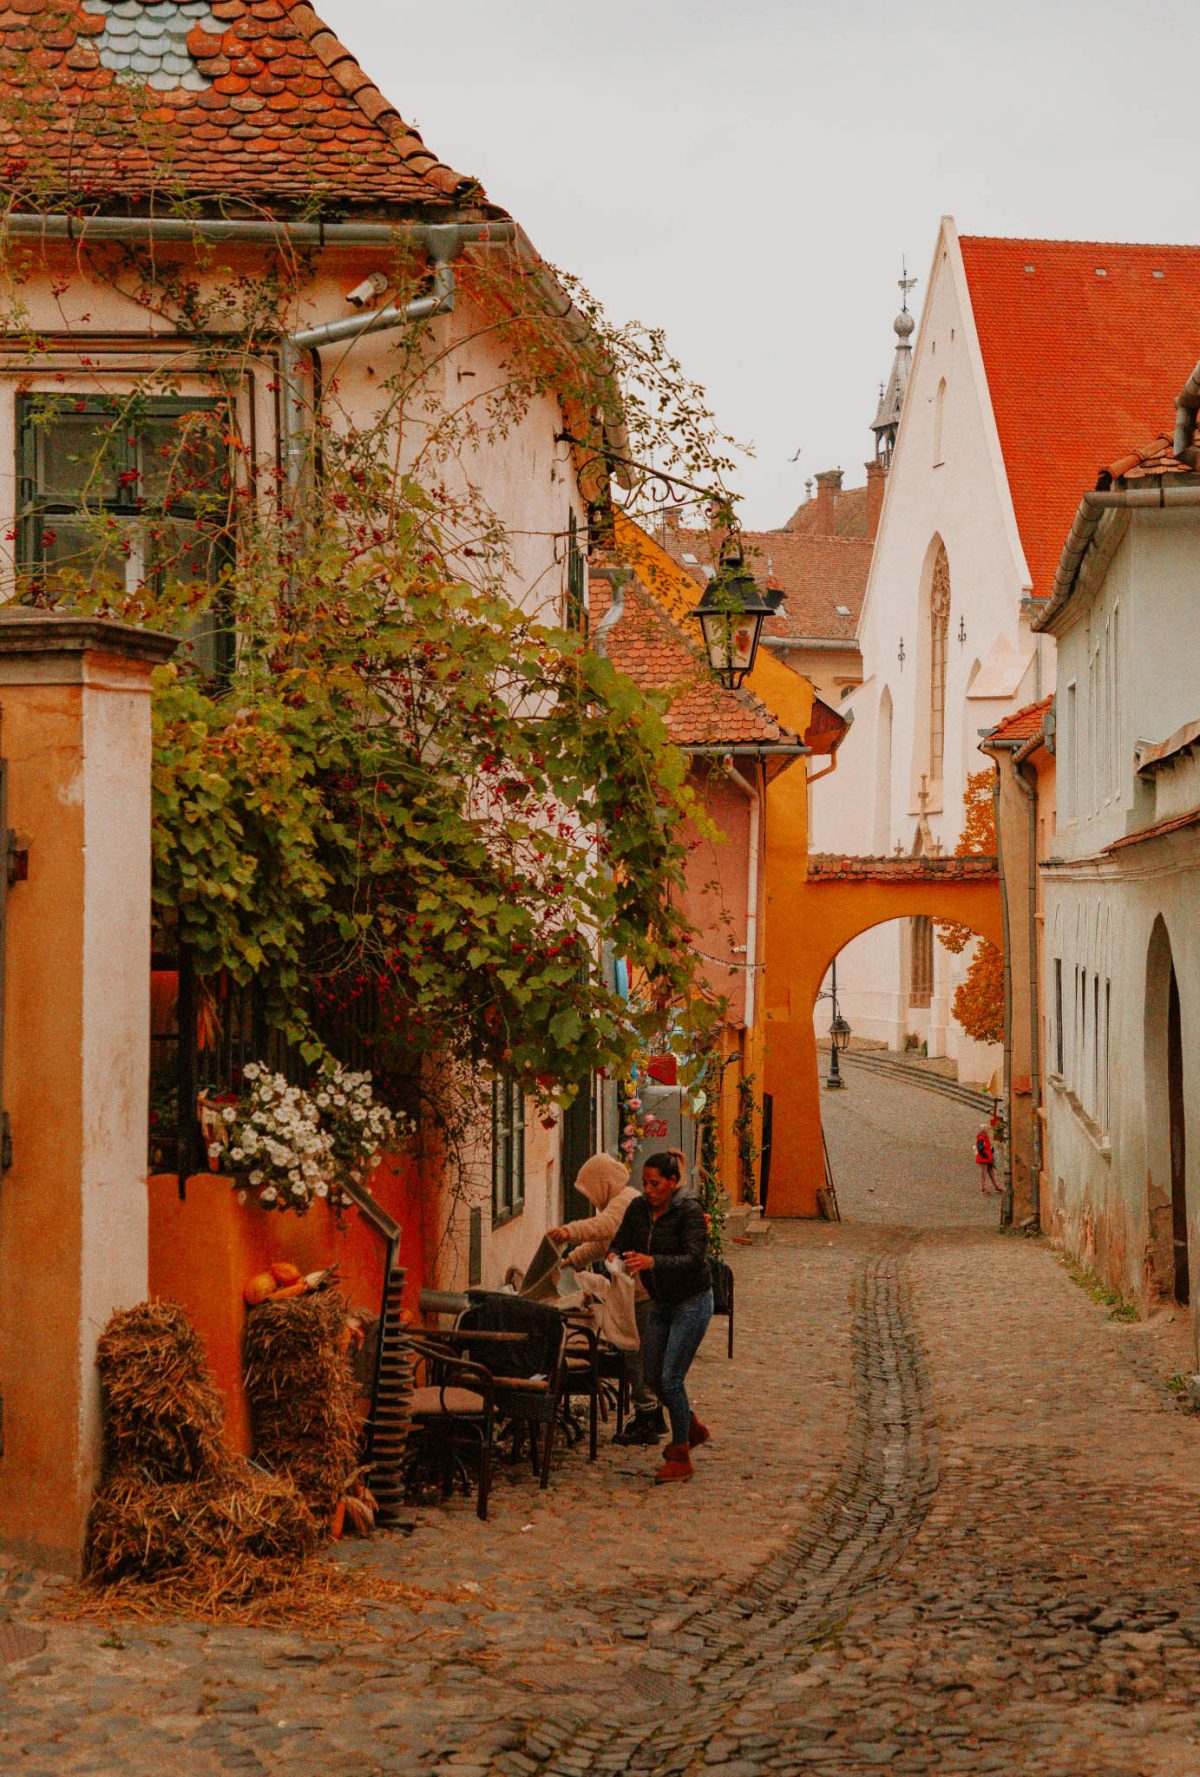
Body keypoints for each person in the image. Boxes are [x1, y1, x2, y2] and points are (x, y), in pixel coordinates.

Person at [610, 1148, 712, 1484]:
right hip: (661, 1301)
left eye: (655, 1184)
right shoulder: (639, 1209)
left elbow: (695, 1259)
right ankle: (690, 1426)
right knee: (652, 1376)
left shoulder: (689, 1210)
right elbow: (620, 1240)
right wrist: (614, 1257)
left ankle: (680, 1456)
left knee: (671, 1378)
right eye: (645, 1183)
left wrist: (653, 1261)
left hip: (691, 1301)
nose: (648, 1190)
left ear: (672, 1182)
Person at [548, 1156, 665, 1445]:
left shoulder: (625, 1200)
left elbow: (603, 1226)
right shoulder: (624, 1200)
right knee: (641, 1354)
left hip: (644, 1293)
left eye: (592, 1189)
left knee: (636, 1354)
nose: (592, 1197)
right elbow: (602, 1244)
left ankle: (647, 1418)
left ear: (603, 1182)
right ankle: (653, 1414)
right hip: (643, 1290)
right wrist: (570, 1261)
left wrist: (568, 1233)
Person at [975, 1123, 1000, 1194]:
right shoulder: (981, 1138)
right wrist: (986, 1155)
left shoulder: (985, 1137)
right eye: (987, 1129)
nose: (988, 1130)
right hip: (984, 1158)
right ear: (983, 1130)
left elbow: (987, 1147)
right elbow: (980, 1149)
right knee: (984, 1173)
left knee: (991, 1172)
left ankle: (996, 1186)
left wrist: (991, 1150)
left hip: (988, 1158)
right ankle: (983, 1188)